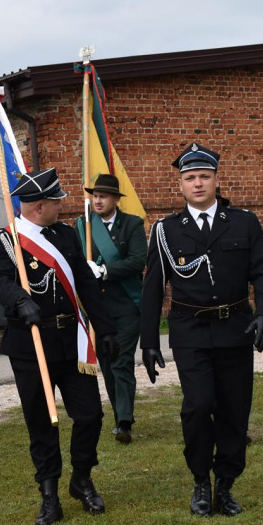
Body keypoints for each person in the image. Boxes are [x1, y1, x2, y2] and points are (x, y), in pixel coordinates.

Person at [139, 143, 263, 517]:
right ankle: (201, 479)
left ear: (216, 180)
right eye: (189, 178)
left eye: (203, 176)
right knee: (198, 407)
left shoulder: (244, 222)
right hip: (191, 332)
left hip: (236, 329)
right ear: (180, 185)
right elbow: (153, 289)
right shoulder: (166, 231)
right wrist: (148, 342)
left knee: (235, 410)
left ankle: (226, 484)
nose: (197, 184)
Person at [0, 168, 118, 525]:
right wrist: (18, 300)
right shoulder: (5, 238)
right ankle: (49, 495)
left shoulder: (65, 235)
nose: (62, 205)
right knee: (42, 422)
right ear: (39, 205)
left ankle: (82, 478)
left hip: (71, 340)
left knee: (90, 414)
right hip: (31, 344)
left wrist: (105, 328)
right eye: (56, 200)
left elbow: (86, 283)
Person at [74, 173, 146, 444]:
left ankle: (125, 421)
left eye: (103, 196)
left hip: (126, 306)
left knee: (121, 362)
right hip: (98, 309)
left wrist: (104, 270)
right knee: (107, 361)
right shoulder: (83, 226)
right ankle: (119, 415)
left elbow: (138, 261)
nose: (98, 200)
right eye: (95, 196)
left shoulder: (132, 225)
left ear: (116, 199)